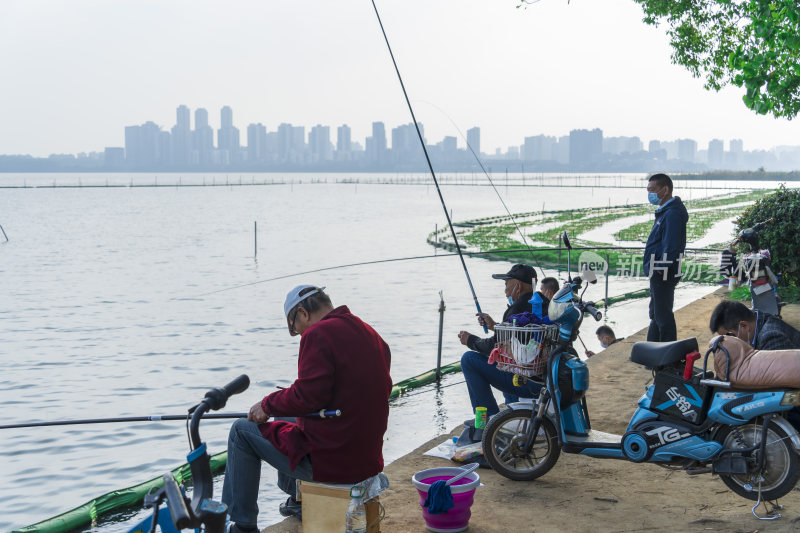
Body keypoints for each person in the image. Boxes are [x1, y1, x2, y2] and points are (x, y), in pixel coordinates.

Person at [222, 285, 392, 531]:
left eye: (294, 329)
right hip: (366, 458)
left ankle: (241, 524)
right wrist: (281, 404)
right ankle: (299, 498)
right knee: (289, 416)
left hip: (336, 463)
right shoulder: (370, 333)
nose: (298, 335)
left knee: (241, 431)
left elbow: (308, 396)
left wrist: (267, 403)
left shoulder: (318, 334)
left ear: (302, 312)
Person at [457, 266, 559, 417]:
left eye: (506, 284)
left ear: (517, 286)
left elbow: (493, 346)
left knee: (469, 359)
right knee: (508, 362)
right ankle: (512, 411)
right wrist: (494, 326)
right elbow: (522, 338)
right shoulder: (544, 304)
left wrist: (470, 340)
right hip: (547, 377)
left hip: (528, 382)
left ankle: (487, 419)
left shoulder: (517, 308)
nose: (505, 290)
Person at [644, 173, 688, 342]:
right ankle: (653, 355)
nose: (650, 194)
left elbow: (672, 245)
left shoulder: (672, 214)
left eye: (652, 190)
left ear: (665, 189)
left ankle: (669, 359)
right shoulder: (666, 211)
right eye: (648, 190)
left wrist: (661, 266)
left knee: (663, 316)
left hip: (663, 271)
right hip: (658, 270)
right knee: (656, 313)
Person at [709, 300, 800, 350]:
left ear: (744, 326)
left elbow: (772, 379)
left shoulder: (771, 338)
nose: (727, 341)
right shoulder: (758, 320)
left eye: (730, 335)